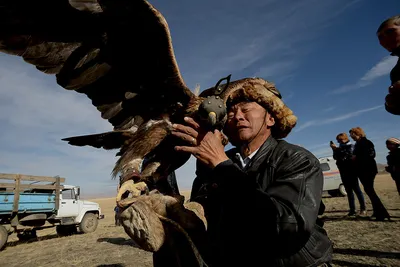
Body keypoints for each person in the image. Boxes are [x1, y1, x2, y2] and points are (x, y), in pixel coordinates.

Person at [172, 80, 333, 267]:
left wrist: (221, 165)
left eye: (246, 109)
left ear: (271, 119)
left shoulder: (297, 159)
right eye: (231, 112)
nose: (237, 116)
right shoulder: (218, 162)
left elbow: (287, 229)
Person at [349, 127, 391, 221]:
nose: (352, 137)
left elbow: (371, 155)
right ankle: (379, 212)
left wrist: (356, 158)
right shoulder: (358, 144)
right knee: (369, 191)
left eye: (353, 134)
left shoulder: (366, 143)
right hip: (362, 170)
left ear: (358, 134)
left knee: (370, 191)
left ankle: (381, 213)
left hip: (367, 170)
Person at [330, 133, 366, 217]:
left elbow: (347, 156)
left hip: (351, 171)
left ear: (346, 139)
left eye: (341, 140)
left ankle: (363, 208)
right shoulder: (340, 148)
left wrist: (337, 150)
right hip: (343, 172)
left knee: (357, 190)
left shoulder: (351, 146)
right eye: (338, 140)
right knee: (349, 192)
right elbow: (335, 157)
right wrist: (334, 150)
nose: (340, 142)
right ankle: (352, 210)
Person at [377, 15, 400, 115]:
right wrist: (390, 103)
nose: (384, 39)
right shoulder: (396, 72)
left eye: (390, 31)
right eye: (380, 37)